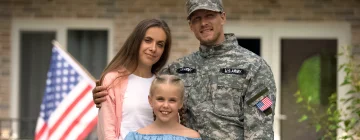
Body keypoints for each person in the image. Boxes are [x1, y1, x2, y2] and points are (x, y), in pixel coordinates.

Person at [93, 0, 277, 139]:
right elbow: (144, 92)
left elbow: (261, 130)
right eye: (197, 18)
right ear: (190, 26)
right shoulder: (178, 69)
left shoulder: (254, 67)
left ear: (223, 17)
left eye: (209, 15)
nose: (203, 22)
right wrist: (105, 94)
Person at [96, 18, 172, 140]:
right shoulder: (113, 80)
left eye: (160, 44)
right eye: (148, 40)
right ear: (136, 42)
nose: (153, 48)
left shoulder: (163, 84)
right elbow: (107, 132)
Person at [124, 75, 201, 140]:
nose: (165, 105)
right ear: (150, 101)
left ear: (180, 103)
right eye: (160, 99)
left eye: (172, 100)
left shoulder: (192, 137)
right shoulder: (136, 137)